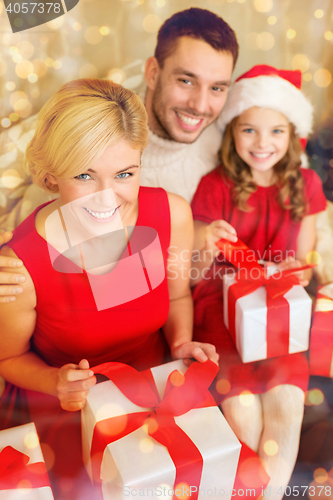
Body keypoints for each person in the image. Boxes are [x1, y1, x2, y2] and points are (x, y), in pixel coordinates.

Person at [0, 78, 219, 500]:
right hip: (69, 411)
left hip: (155, 389)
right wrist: (55, 382)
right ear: (51, 176)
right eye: (84, 175)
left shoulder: (171, 215)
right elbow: (8, 357)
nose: (105, 198)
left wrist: (181, 343)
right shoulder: (20, 266)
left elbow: (175, 297)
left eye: (124, 174)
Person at [0, 7, 238, 302]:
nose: (200, 105)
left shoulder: (231, 146)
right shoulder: (97, 128)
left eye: (217, 88)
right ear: (153, 72)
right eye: (186, 81)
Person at [190, 65, 327, 500]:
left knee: (286, 407)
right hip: (221, 305)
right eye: (249, 130)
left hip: (279, 307)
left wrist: (294, 272)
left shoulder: (305, 183)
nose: (262, 143)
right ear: (232, 132)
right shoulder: (215, 185)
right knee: (245, 414)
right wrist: (207, 239)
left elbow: (304, 263)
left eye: (276, 132)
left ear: (292, 136)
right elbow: (193, 267)